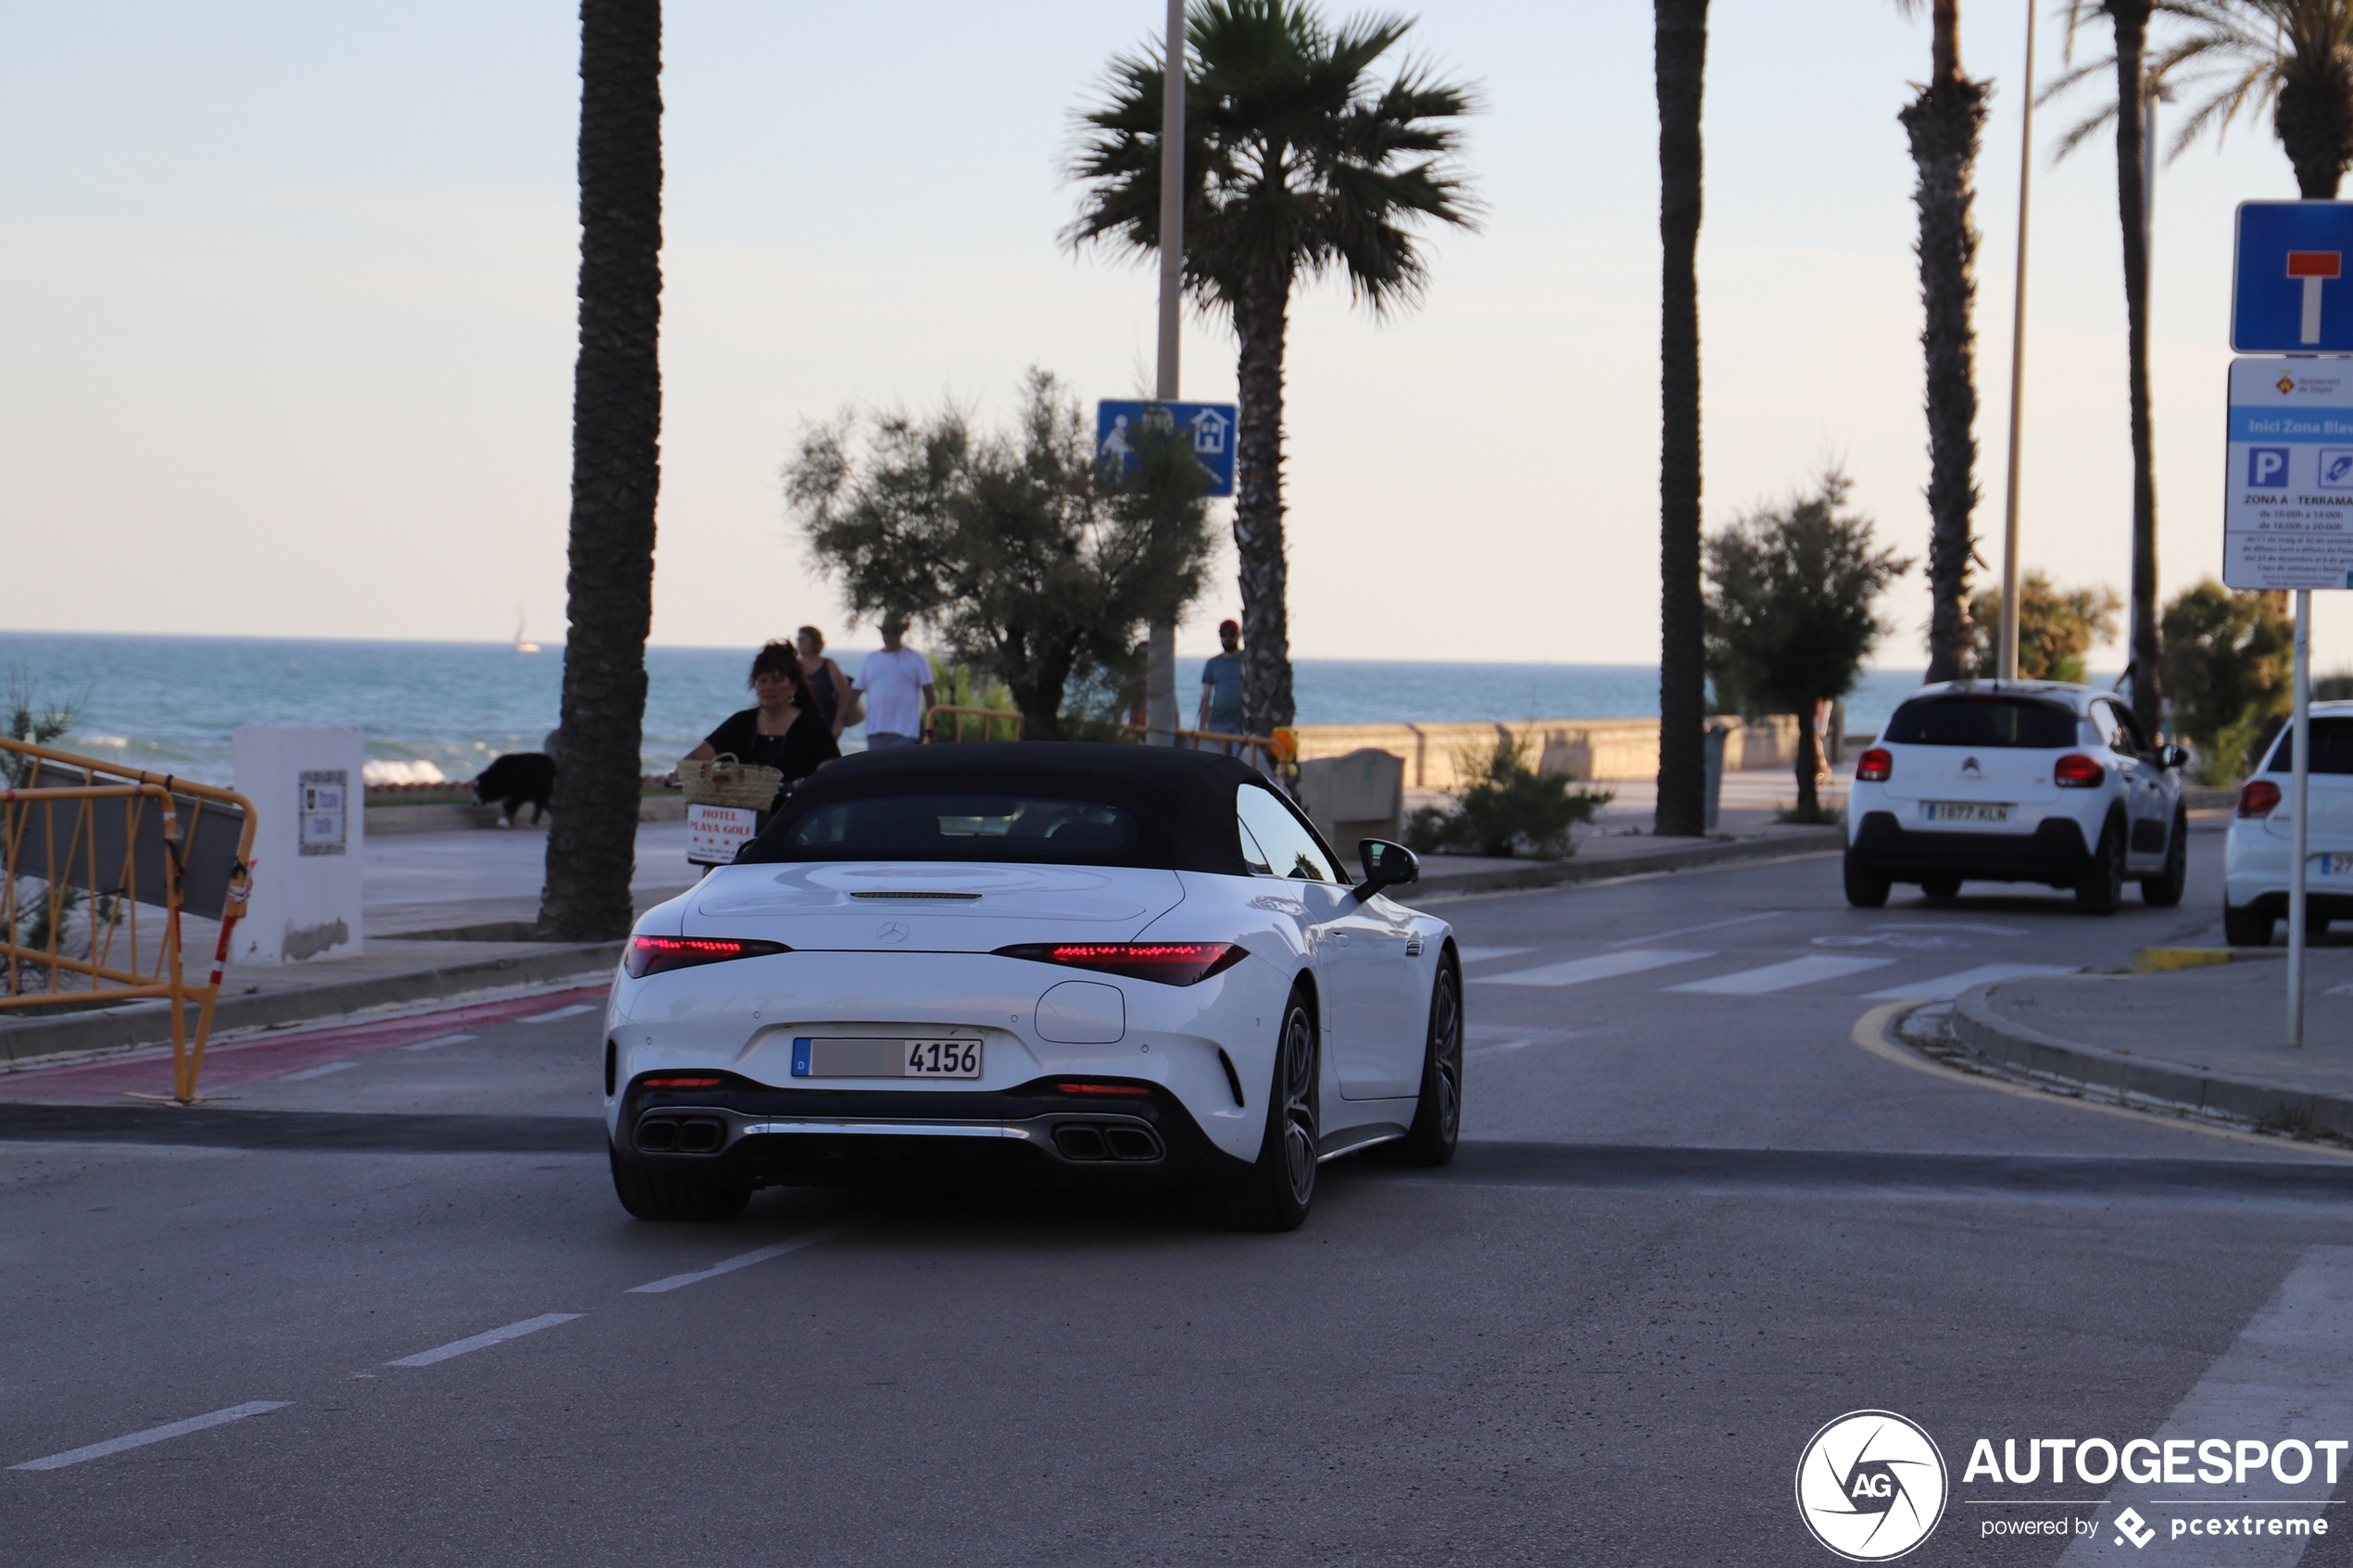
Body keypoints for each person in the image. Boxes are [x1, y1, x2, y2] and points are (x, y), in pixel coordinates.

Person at [686, 640, 840, 800]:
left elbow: (829, 769)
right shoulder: (740, 722)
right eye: (762, 680)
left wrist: (808, 783)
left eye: (777, 680)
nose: (769, 687)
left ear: (793, 687)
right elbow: (696, 759)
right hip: (743, 817)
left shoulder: (811, 725)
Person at [854, 614, 937, 749]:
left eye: (894, 631)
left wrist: (933, 722)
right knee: (876, 769)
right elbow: (855, 691)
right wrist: (840, 719)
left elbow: (929, 692)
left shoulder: (916, 659)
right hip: (876, 731)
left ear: (901, 633)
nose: (889, 636)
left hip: (905, 732)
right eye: (885, 631)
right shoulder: (871, 659)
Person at [796, 625, 858, 738]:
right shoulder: (794, 667)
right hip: (801, 725)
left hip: (826, 724)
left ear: (815, 643)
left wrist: (838, 723)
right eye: (798, 640)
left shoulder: (828, 665)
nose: (799, 643)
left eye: (803, 639)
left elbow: (844, 694)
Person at [1199, 620, 1246, 746]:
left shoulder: (1247, 659)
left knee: (1239, 761)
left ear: (1238, 635)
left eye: (1231, 634)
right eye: (1223, 635)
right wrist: (1202, 726)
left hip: (1242, 721)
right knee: (1219, 759)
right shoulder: (1213, 663)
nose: (1227, 638)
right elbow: (1206, 696)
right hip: (1218, 721)